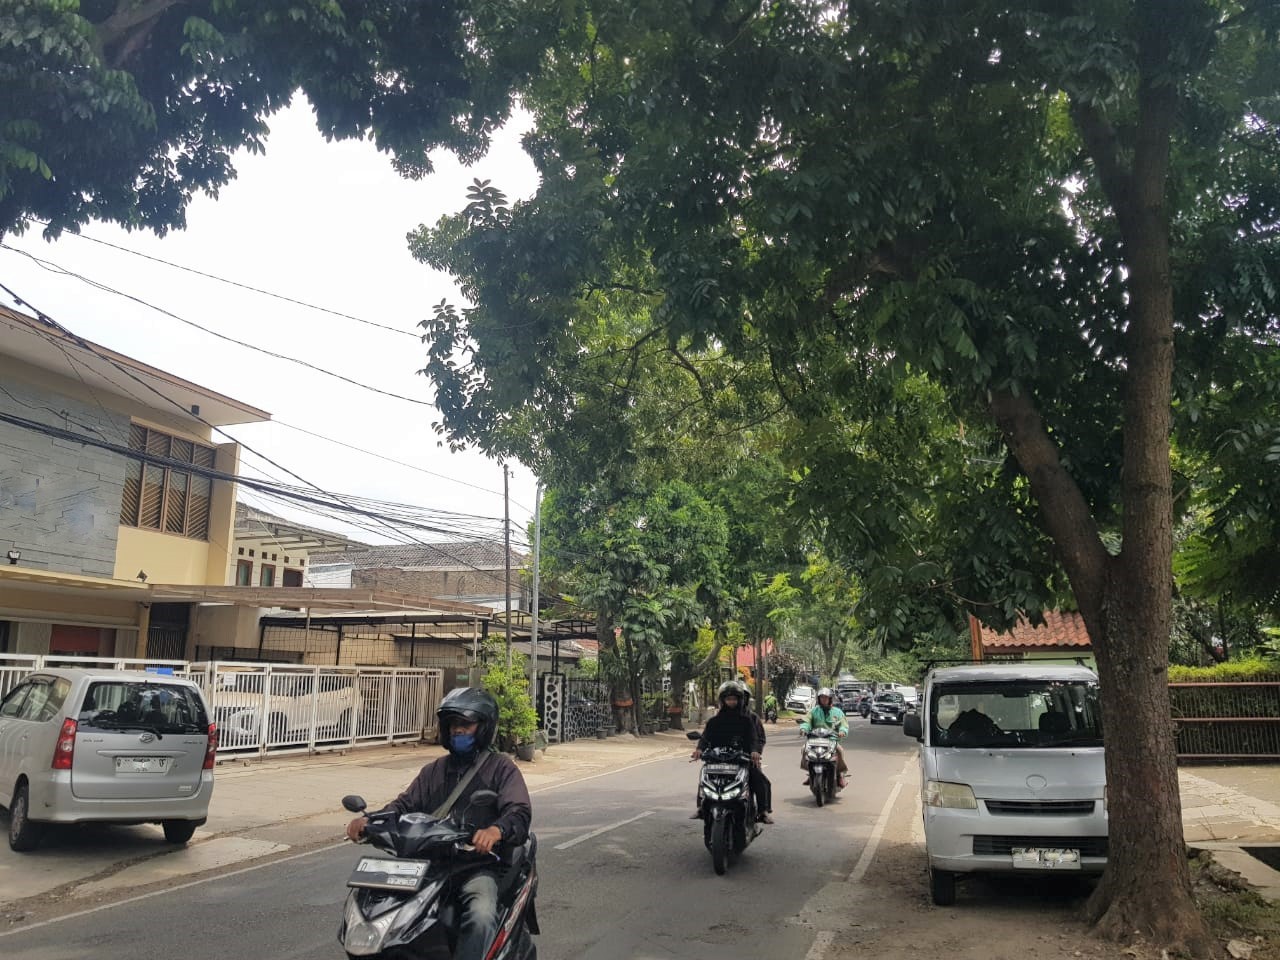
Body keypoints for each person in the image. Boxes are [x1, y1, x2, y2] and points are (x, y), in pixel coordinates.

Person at [345, 687, 531, 960]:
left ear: (483, 727)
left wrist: (495, 830)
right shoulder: (434, 771)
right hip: (427, 866)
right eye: (453, 725)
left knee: (480, 913)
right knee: (384, 910)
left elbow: (519, 811)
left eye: (465, 724)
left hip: (475, 866)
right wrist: (370, 821)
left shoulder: (501, 769)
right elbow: (404, 805)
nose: (458, 731)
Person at [691, 680, 768, 821]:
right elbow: (705, 737)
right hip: (719, 759)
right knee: (705, 775)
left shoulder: (747, 720)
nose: (731, 702)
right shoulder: (714, 721)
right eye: (728, 699)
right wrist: (699, 750)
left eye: (734, 699)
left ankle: (762, 811)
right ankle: (702, 807)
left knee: (758, 777)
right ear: (722, 700)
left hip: (742, 759)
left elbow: (754, 739)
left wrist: (755, 751)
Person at [800, 687, 849, 788]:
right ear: (818, 699)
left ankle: (840, 775)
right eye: (822, 697)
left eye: (826, 698)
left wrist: (842, 731)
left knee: (840, 751)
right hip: (815, 740)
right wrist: (804, 729)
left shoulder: (837, 712)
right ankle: (811, 773)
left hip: (831, 741)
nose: (824, 700)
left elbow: (844, 724)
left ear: (830, 699)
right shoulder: (814, 711)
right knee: (804, 749)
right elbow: (807, 721)